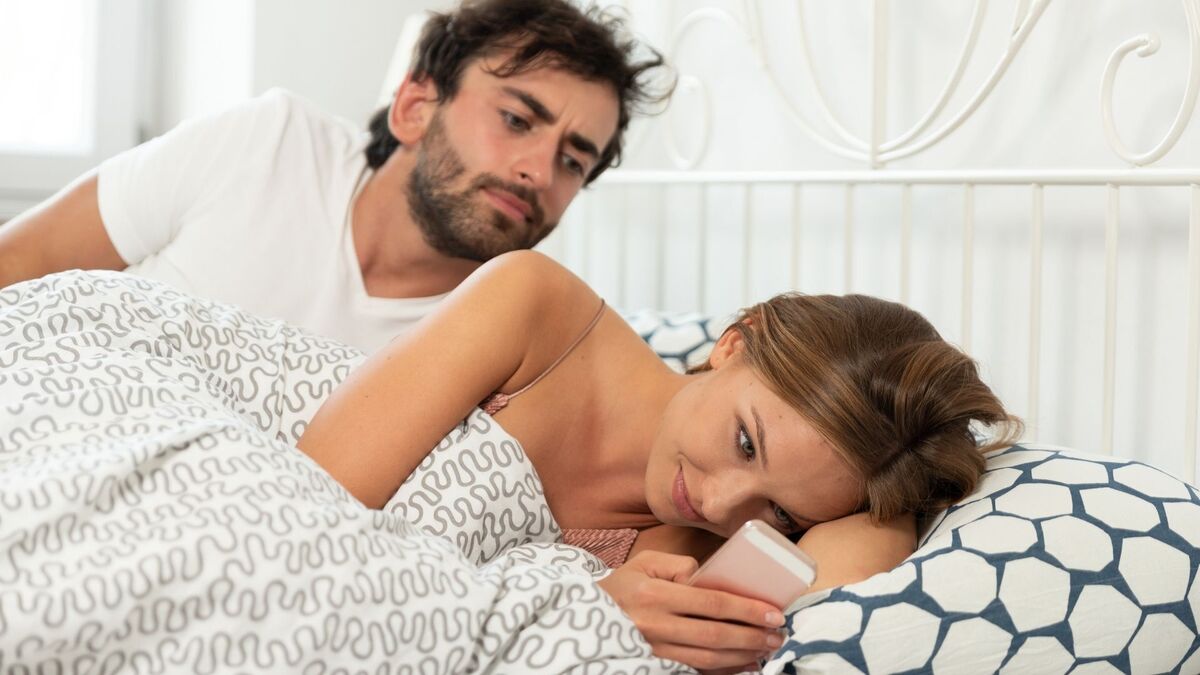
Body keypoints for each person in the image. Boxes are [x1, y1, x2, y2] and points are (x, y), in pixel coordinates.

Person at [297, 249, 1022, 672]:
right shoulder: (535, 310)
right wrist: (571, 608)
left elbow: (837, 597)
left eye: (779, 511)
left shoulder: (689, 570)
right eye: (746, 441)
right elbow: (299, 513)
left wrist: (885, 507)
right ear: (735, 341)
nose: (717, 504)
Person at [0, 0, 669, 353]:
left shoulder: (504, 339)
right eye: (518, 119)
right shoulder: (270, 141)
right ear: (413, 107)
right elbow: (26, 258)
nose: (537, 170)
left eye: (574, 160)